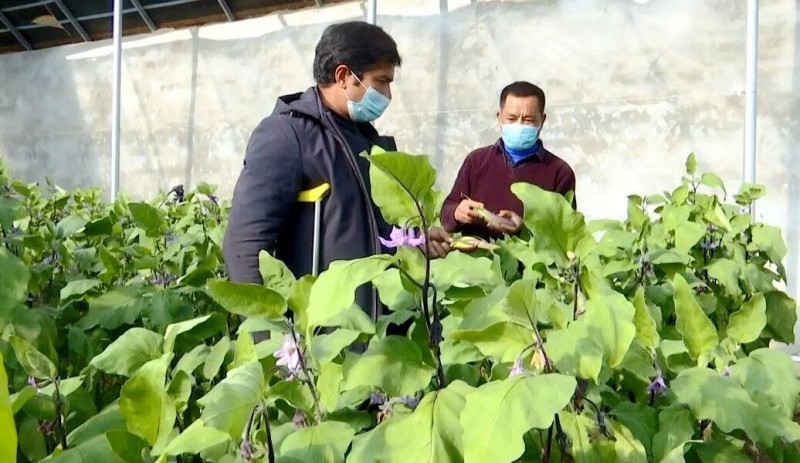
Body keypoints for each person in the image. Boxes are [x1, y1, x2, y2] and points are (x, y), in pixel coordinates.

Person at [223, 21, 451, 321]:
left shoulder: (366, 140)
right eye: (380, 81)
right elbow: (245, 244)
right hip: (322, 333)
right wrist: (271, 337)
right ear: (344, 76)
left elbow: (372, 227)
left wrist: (415, 239)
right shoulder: (288, 135)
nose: (388, 94)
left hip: (373, 325)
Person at [440, 81, 577, 240]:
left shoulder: (559, 172)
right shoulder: (476, 161)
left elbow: (567, 232)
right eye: (511, 118)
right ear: (499, 118)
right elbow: (447, 212)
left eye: (528, 120)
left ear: (542, 121)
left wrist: (523, 228)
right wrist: (457, 212)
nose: (519, 125)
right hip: (477, 260)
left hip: (531, 264)